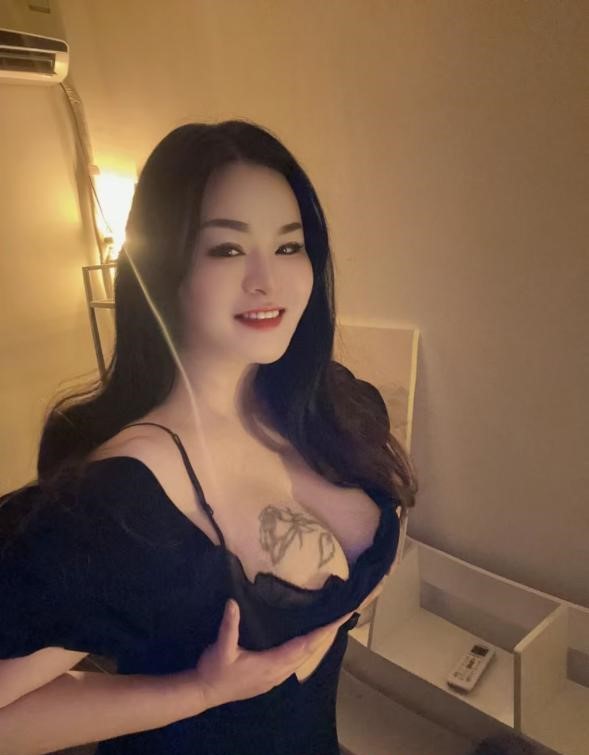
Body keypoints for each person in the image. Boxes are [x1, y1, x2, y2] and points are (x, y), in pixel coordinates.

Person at [0, 120, 418, 754]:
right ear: (163, 268)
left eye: (289, 246)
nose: (267, 280)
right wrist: (198, 691)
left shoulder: (331, 403)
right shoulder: (122, 500)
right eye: (227, 250)